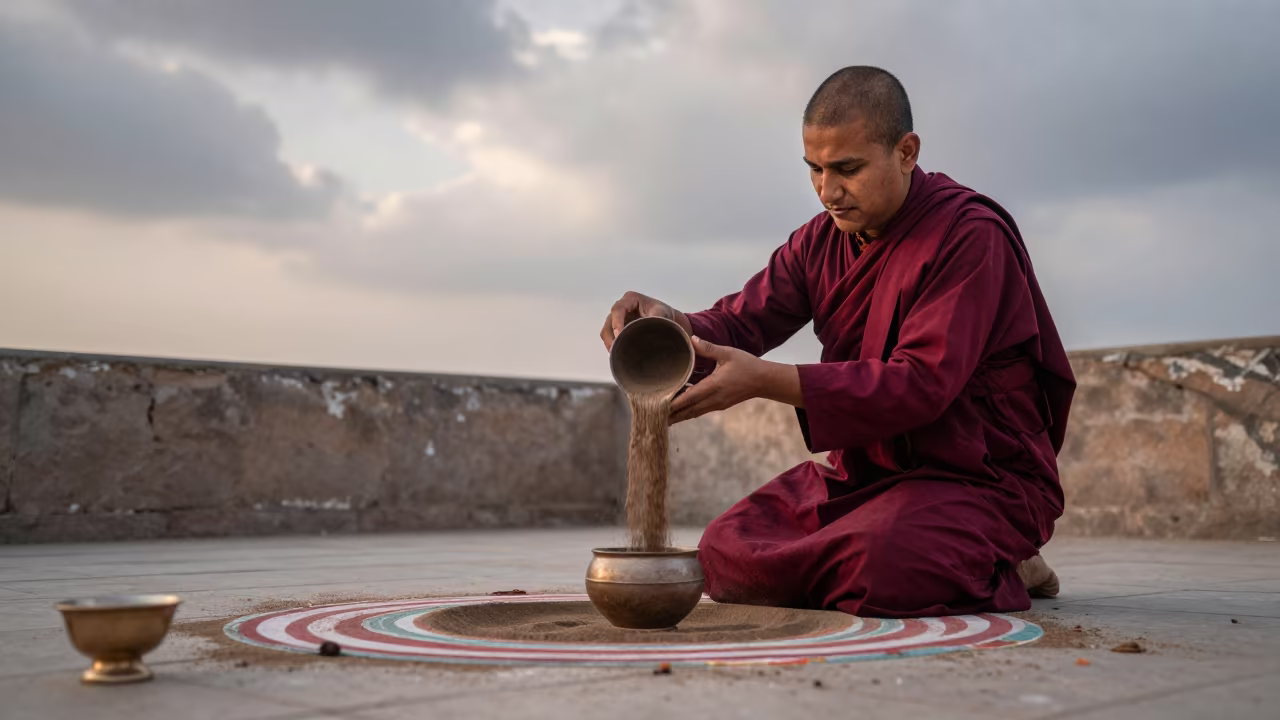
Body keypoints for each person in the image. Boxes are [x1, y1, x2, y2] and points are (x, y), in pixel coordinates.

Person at [599, 66, 1075, 618]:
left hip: (981, 480)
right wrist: (669, 325)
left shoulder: (969, 235)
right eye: (815, 170)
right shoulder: (819, 242)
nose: (829, 191)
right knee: (725, 552)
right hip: (869, 479)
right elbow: (740, 323)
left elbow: (921, 384)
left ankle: (1006, 556)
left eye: (847, 169)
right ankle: (948, 552)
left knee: (878, 566)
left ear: (906, 151)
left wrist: (763, 381)